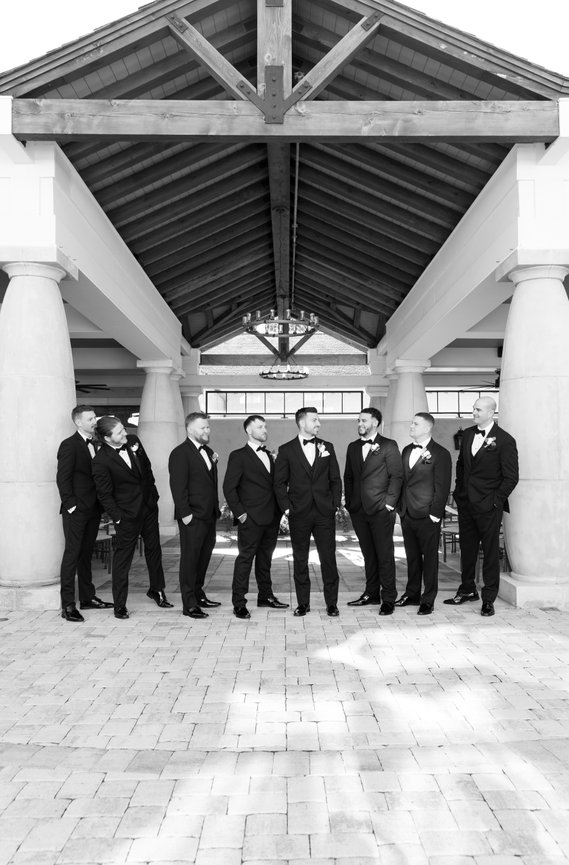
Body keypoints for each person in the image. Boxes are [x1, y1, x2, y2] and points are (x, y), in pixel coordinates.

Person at [444, 396, 519, 617]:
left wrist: (495, 500)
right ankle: (467, 590)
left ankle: (488, 598)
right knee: (467, 550)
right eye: (473, 409)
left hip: (489, 506)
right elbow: (462, 466)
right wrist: (459, 493)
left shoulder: (505, 440)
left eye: (478, 410)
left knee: (490, 552)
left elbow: (511, 477)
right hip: (466, 504)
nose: (474, 413)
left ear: (490, 413)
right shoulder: (467, 435)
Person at [91, 416, 171, 619]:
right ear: (108, 438)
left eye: (123, 429)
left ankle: (157, 590)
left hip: (148, 508)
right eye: (119, 432)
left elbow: (147, 468)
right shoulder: (101, 461)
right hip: (126, 515)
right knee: (122, 559)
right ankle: (120, 604)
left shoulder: (134, 441)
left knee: (154, 550)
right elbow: (104, 494)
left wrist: (152, 496)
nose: (125, 433)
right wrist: (118, 518)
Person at [274, 406, 342, 617]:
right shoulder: (286, 450)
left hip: (324, 513)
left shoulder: (327, 446)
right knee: (300, 558)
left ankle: (332, 603)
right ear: (302, 422)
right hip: (299, 513)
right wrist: (287, 508)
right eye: (314, 420)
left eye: (318, 420)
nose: (318, 424)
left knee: (328, 558)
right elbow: (279, 483)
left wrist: (334, 505)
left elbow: (335, 480)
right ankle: (303, 603)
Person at [223, 415, 288, 619]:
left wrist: (283, 511)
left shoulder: (269, 455)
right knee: (245, 559)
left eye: (265, 426)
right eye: (260, 427)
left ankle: (265, 596)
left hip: (271, 517)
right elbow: (229, 487)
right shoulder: (238, 455)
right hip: (250, 518)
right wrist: (241, 514)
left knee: (265, 559)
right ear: (249, 431)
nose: (264, 430)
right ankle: (239, 602)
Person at [57, 404, 113, 622]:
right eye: (90, 419)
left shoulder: (97, 444)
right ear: (78, 422)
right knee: (72, 555)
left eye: (95, 418)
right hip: (76, 511)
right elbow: (63, 478)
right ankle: (68, 605)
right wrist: (71, 506)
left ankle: (88, 598)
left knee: (86, 553)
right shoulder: (69, 445)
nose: (94, 422)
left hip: (94, 509)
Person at [344, 407, 402, 615]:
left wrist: (389, 503)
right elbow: (349, 477)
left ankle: (388, 598)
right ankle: (371, 593)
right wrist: (350, 503)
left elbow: (397, 476)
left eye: (364, 421)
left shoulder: (388, 445)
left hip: (381, 510)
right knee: (368, 553)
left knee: (385, 555)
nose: (360, 424)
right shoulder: (352, 447)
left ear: (375, 423)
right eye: (358, 420)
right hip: (359, 510)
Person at [396, 412, 452, 615]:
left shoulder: (441, 453)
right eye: (411, 422)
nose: (411, 426)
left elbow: (442, 486)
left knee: (429, 559)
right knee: (411, 557)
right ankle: (412, 594)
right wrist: (399, 509)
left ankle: (428, 599)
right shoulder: (406, 450)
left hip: (428, 515)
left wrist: (435, 514)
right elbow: (403, 481)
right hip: (407, 513)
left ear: (427, 428)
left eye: (415, 423)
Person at [168, 412, 221, 619]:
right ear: (190, 429)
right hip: (192, 516)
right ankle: (189, 604)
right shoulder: (180, 453)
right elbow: (177, 486)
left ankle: (198, 595)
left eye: (208, 427)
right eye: (203, 428)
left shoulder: (207, 451)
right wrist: (185, 514)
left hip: (209, 515)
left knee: (203, 558)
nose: (207, 431)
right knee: (190, 560)